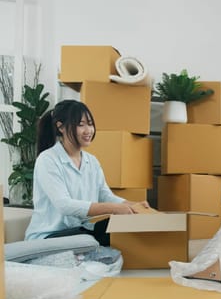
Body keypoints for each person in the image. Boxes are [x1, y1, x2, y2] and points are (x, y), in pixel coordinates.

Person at [24, 100, 149, 246]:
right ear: (61, 127)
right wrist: (114, 208)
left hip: (78, 232)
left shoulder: (92, 161)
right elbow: (64, 205)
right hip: (49, 236)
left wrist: (132, 205)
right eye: (80, 125)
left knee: (121, 226)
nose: (88, 130)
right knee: (90, 237)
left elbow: (106, 196)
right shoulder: (47, 160)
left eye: (90, 124)